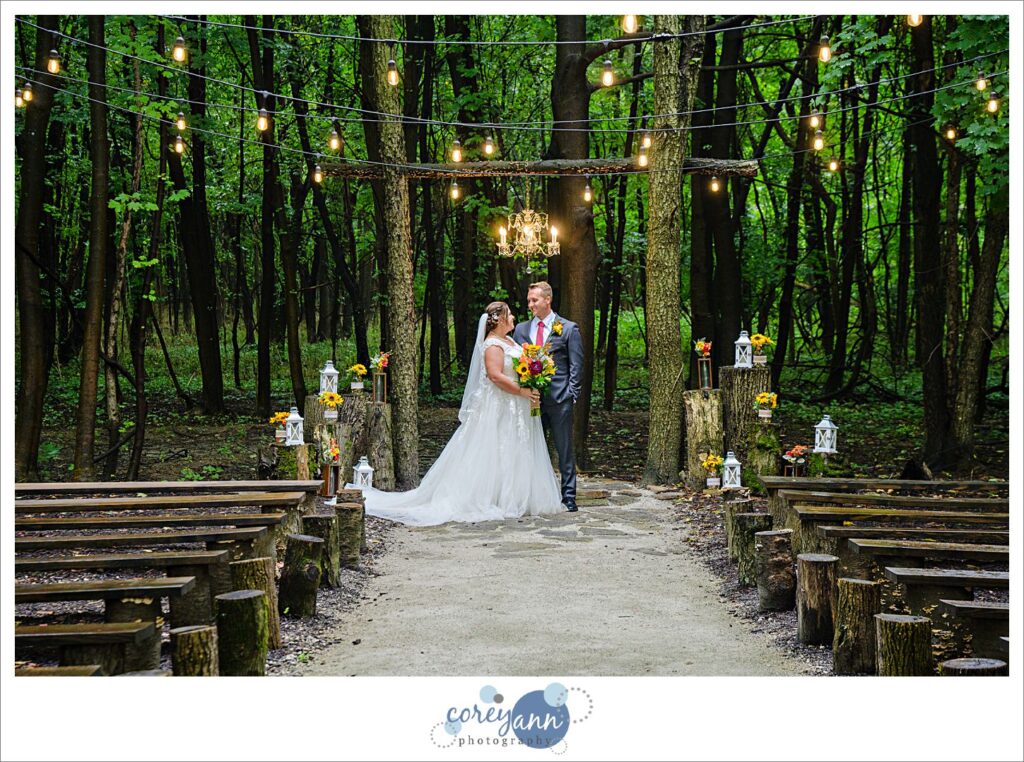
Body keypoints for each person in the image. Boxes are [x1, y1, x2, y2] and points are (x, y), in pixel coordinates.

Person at [360, 301, 563, 526]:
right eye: (510, 314)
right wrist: (522, 390)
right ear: (499, 320)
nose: (514, 317)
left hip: (516, 405)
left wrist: (532, 378)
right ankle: (492, 497)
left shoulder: (509, 340)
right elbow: (495, 376)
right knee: (496, 447)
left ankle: (515, 496)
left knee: (515, 447)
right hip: (499, 405)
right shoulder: (493, 344)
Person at [512, 281, 583, 512]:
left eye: (534, 300)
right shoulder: (521, 329)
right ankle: (535, 496)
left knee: (564, 449)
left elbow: (576, 364)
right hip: (531, 399)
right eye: (529, 301)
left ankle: (569, 496)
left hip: (560, 399)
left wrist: (571, 393)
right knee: (533, 448)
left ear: (547, 300)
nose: (530, 304)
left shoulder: (568, 328)